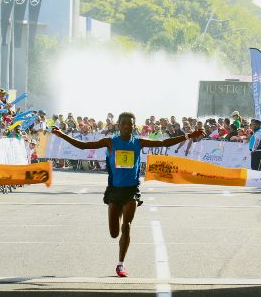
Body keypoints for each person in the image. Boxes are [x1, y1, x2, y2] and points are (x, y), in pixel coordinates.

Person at [51, 112, 204, 277]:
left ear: (134, 126)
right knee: (114, 233)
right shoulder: (110, 142)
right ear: (118, 125)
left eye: (130, 124)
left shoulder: (138, 142)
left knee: (127, 226)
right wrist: (61, 135)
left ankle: (120, 264)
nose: (127, 126)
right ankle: (117, 240)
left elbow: (164, 142)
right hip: (114, 191)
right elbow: (83, 146)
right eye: (123, 123)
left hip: (131, 190)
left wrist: (189, 136)